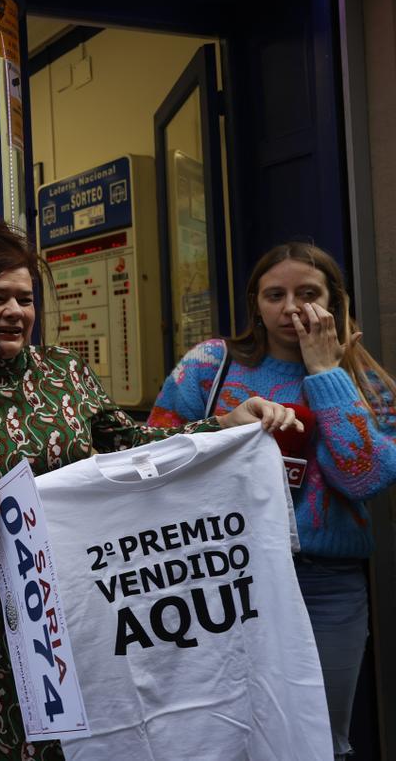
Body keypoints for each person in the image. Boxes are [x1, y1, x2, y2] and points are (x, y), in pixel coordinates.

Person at [0, 212, 298, 761]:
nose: (14, 312)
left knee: (98, 738)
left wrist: (226, 425)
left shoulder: (65, 373)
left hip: (88, 607)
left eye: (25, 300)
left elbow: (132, 443)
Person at [148, 240, 396, 761]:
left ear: (335, 301)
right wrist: (222, 425)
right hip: (225, 577)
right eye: (274, 294)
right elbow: (157, 455)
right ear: (254, 303)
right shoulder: (208, 366)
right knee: (225, 734)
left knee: (320, 739)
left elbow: (363, 478)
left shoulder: (367, 382)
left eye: (308, 294)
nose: (290, 309)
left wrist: (326, 372)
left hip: (327, 585)